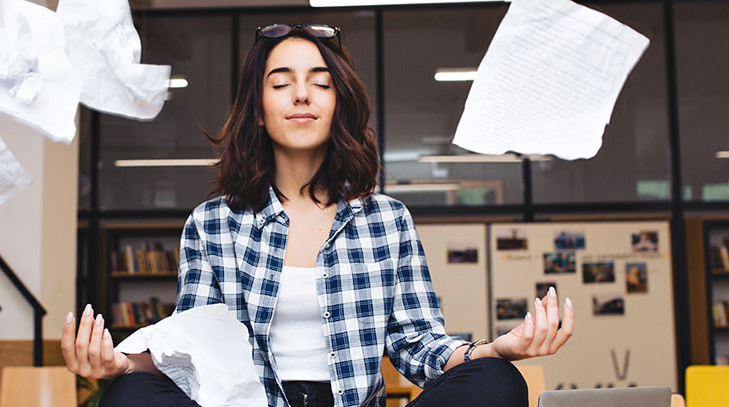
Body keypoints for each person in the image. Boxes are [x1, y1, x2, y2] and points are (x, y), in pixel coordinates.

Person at [61, 23, 576, 407]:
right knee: (129, 396)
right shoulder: (212, 223)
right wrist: (119, 364)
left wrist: (495, 350)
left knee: (498, 382)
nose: (302, 94)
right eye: (281, 82)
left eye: (320, 82)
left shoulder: (387, 220)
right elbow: (192, 351)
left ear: (339, 103)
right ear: (258, 107)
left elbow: (417, 344)